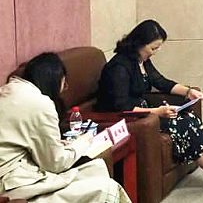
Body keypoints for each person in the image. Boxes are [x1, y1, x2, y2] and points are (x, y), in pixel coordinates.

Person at [95, 20, 203, 189]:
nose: (155, 53)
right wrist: (157, 112)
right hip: (130, 117)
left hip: (144, 111)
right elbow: (121, 106)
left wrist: (188, 91)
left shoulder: (140, 60)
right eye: (153, 48)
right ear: (139, 43)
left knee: (188, 116)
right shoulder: (119, 67)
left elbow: (160, 82)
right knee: (180, 123)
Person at [0, 53, 132, 203]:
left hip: (15, 174)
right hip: (12, 184)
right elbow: (56, 163)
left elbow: (19, 140)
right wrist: (83, 141)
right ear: (55, 81)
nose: (65, 88)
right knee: (106, 188)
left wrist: (58, 144)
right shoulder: (40, 104)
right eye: (64, 82)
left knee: (94, 169)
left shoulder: (9, 89)